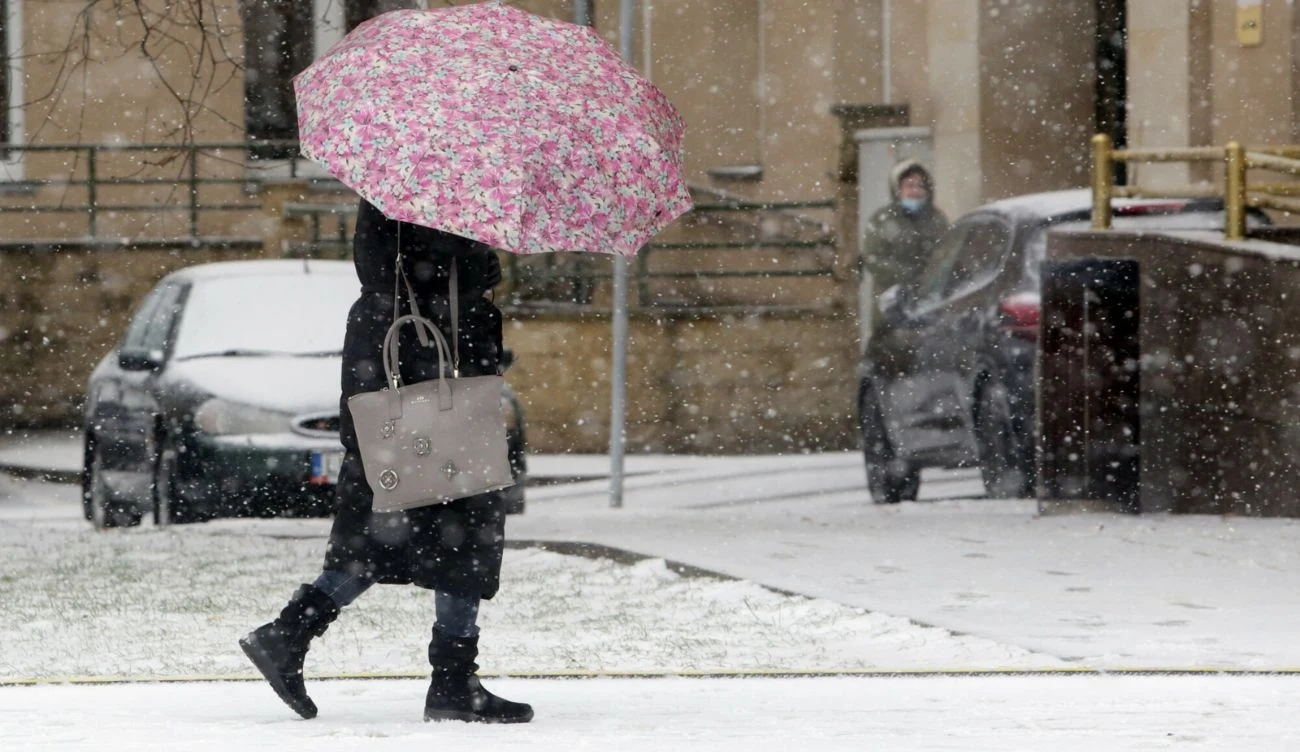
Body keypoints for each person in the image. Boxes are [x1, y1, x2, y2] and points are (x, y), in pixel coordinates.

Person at [239, 200, 532, 725]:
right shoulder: (429, 195)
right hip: (429, 380)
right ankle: (450, 680)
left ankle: (292, 633)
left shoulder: (405, 192)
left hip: (403, 380)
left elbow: (405, 267)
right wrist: (472, 268)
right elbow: (424, 269)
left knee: (384, 531)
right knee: (461, 526)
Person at [857, 159, 949, 317]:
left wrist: (931, 277)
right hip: (891, 304)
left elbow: (947, 253)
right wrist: (908, 277)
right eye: (909, 185)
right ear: (897, 190)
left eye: (920, 186)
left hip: (930, 304)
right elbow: (873, 258)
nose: (915, 191)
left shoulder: (937, 220)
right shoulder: (882, 220)